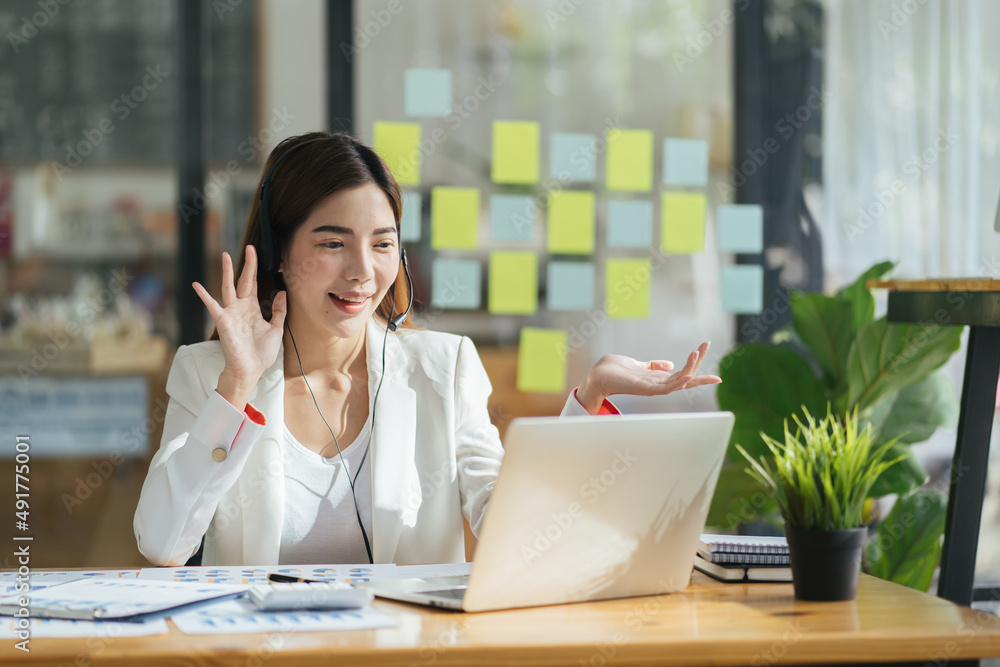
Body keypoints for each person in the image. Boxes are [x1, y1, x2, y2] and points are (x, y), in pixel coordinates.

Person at [133, 131, 721, 567]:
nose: (363, 271)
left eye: (382, 243)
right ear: (280, 254)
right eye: (333, 242)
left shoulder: (444, 368)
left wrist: (588, 399)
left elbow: (512, 528)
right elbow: (162, 543)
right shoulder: (207, 373)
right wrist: (238, 385)